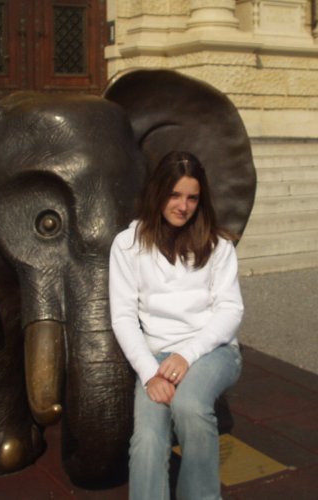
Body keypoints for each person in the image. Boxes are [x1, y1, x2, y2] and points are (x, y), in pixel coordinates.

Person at [109, 151, 243, 500]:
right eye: (174, 195)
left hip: (212, 350)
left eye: (192, 198)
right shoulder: (127, 245)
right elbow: (123, 316)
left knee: (190, 406)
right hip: (157, 359)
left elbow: (230, 311)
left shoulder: (218, 245)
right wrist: (149, 374)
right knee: (148, 439)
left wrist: (187, 355)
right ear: (158, 192)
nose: (183, 206)